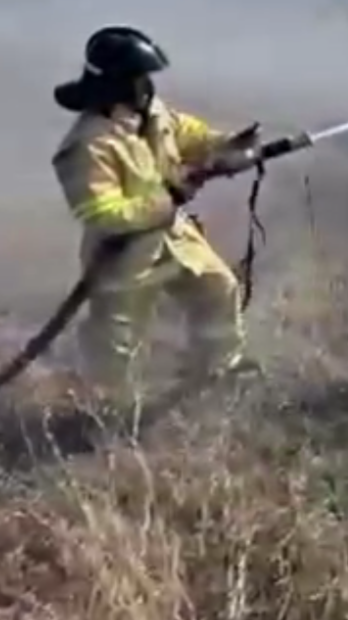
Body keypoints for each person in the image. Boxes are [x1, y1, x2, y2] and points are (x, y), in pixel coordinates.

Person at [49, 25, 261, 397]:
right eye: (139, 78)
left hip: (174, 235)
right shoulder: (88, 145)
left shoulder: (153, 115)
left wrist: (228, 147)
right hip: (122, 252)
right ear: (117, 83)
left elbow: (191, 135)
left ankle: (219, 370)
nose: (148, 86)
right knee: (117, 334)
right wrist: (169, 197)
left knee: (218, 289)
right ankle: (103, 409)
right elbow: (102, 214)